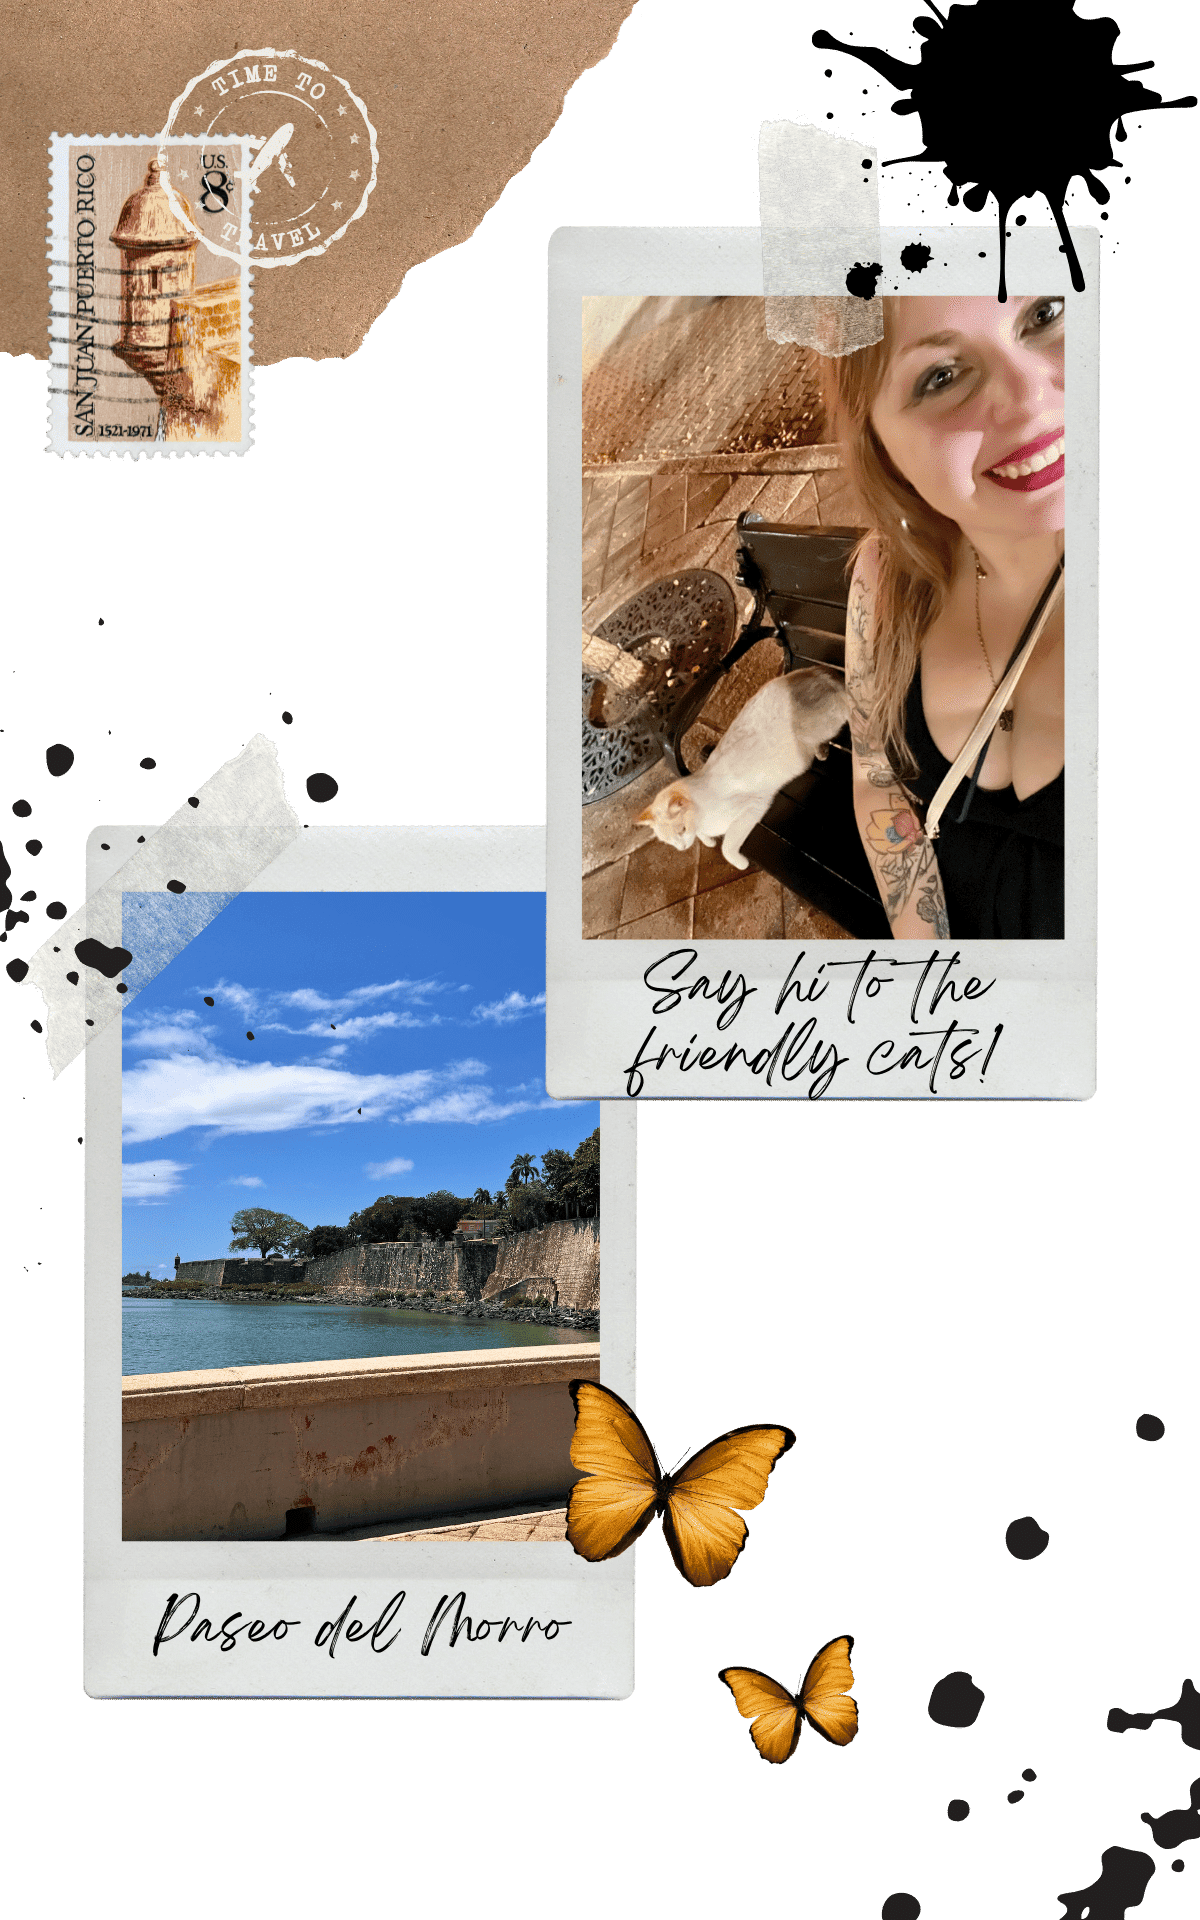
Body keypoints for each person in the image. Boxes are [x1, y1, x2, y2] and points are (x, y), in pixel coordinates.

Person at [823, 294, 1065, 938]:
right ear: (879, 445)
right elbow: (875, 776)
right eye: (942, 376)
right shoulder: (887, 577)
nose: (1027, 398)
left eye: (1046, 314)